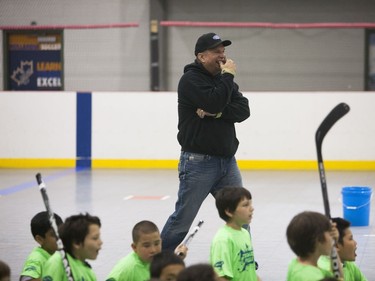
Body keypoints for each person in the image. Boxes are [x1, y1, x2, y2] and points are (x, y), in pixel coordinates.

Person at [161, 32, 251, 251]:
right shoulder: (190, 80)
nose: (223, 56)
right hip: (198, 163)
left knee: (241, 214)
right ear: (201, 57)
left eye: (224, 51)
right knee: (183, 219)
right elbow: (214, 102)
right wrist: (227, 79)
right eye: (217, 52)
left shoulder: (223, 81)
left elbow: (243, 110)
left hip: (227, 162)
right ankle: (157, 263)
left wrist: (218, 113)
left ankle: (244, 260)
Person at [106, 220, 187, 281]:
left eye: (156, 243)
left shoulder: (154, 261)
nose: (153, 250)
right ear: (134, 247)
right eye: (146, 246)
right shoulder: (127, 268)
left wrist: (177, 259)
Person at [210, 186, 259, 281]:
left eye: (251, 204)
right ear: (229, 211)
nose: (251, 209)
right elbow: (220, 277)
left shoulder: (244, 233)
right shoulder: (223, 240)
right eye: (245, 205)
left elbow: (249, 270)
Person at [42, 213, 102, 281]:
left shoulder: (88, 271)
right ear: (76, 243)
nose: (101, 242)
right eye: (95, 238)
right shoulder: (58, 262)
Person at [286, 211, 343, 281]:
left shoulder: (296, 264)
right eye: (329, 233)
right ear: (318, 240)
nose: (332, 236)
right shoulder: (311, 277)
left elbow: (338, 277)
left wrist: (332, 245)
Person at [20, 211, 63, 281]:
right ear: (39, 239)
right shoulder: (36, 258)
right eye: (54, 235)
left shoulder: (61, 254)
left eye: (61, 231)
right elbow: (26, 279)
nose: (59, 237)